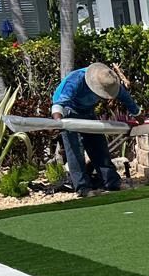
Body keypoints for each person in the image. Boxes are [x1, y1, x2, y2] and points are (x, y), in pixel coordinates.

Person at [50, 62, 140, 196]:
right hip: (68, 112)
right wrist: (59, 122)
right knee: (75, 150)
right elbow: (59, 103)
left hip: (87, 112)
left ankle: (112, 182)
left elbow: (126, 99)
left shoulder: (109, 81)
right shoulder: (75, 80)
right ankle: (83, 188)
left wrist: (138, 115)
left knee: (99, 146)